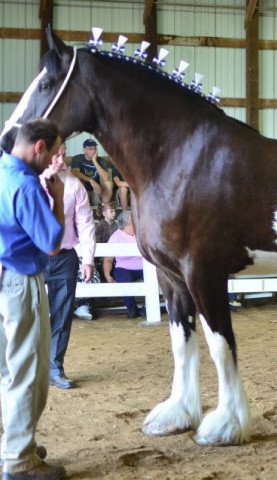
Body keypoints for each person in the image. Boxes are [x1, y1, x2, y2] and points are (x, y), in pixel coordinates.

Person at [0, 119, 67, 479]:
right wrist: (56, 195)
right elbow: (53, 244)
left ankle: (13, 443)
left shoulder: (2, 169)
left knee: (7, 370)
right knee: (29, 371)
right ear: (39, 147)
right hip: (20, 282)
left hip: (1, 273)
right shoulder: (26, 186)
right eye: (54, 152)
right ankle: (20, 460)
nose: (55, 160)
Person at [42, 144, 96, 389]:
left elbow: (85, 223)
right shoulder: (29, 178)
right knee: (25, 314)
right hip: (33, 256)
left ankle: (55, 368)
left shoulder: (74, 185)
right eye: (57, 154)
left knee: (62, 314)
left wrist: (88, 259)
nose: (61, 159)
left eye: (64, 154)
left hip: (65, 256)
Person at [103, 211, 145, 319]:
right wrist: (107, 275)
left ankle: (149, 307)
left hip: (144, 266)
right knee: (124, 279)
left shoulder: (142, 233)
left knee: (155, 278)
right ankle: (132, 309)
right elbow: (108, 259)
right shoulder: (115, 237)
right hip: (124, 267)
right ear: (125, 225)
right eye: (133, 222)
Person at [70, 138, 113, 205]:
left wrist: (94, 161)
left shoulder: (101, 160)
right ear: (84, 150)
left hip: (97, 189)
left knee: (108, 183)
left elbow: (105, 178)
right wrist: (91, 180)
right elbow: (75, 173)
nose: (93, 151)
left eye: (95, 148)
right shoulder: (77, 158)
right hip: (83, 187)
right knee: (77, 182)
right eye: (90, 149)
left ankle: (105, 209)